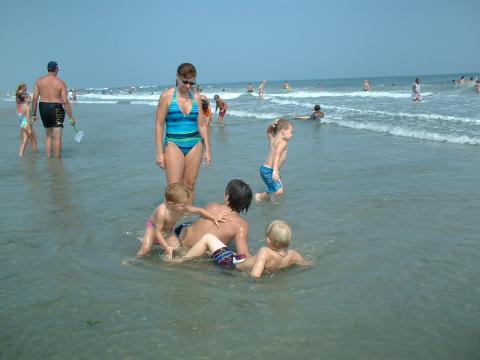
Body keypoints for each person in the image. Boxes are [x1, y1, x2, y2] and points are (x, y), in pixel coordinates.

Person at [155, 63, 211, 205]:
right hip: (174, 145)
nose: (188, 86)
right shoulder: (166, 97)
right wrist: (159, 153)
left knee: (190, 186)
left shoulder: (196, 98)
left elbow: (202, 124)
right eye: (185, 82)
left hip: (195, 145)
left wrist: (208, 150)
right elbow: (159, 125)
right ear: (177, 77)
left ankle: (186, 221)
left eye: (191, 82)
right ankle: (169, 225)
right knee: (174, 190)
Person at [179, 220, 308, 278]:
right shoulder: (292, 255)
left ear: (268, 239)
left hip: (231, 264)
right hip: (241, 259)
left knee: (208, 238)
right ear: (288, 240)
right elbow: (307, 265)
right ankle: (205, 253)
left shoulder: (265, 252)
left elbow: (254, 276)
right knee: (212, 251)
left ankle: (181, 260)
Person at [136, 183, 227, 259]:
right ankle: (133, 260)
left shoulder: (182, 208)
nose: (185, 207)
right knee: (146, 250)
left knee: (177, 249)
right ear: (171, 204)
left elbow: (200, 210)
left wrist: (214, 217)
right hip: (153, 228)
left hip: (168, 230)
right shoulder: (162, 212)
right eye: (182, 205)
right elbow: (158, 233)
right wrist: (166, 247)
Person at [178, 179, 253, 257]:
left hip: (182, 241)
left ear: (227, 196)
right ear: (246, 205)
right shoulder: (241, 225)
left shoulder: (212, 206)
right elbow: (243, 254)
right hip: (198, 253)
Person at [31, 61, 77, 159]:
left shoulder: (39, 81)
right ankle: (57, 161)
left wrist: (33, 114)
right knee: (57, 137)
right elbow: (64, 101)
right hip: (56, 108)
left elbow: (34, 99)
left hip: (43, 107)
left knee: (48, 136)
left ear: (48, 69)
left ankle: (48, 158)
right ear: (56, 69)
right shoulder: (60, 83)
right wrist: (71, 117)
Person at [255, 119, 294, 202]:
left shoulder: (273, 140)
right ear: (283, 132)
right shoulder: (283, 142)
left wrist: (270, 126)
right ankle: (259, 196)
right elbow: (277, 155)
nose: (292, 135)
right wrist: (275, 171)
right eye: (291, 132)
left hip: (266, 169)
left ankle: (269, 200)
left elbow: (269, 132)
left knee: (277, 189)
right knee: (279, 191)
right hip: (269, 170)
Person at [15, 84, 38, 156]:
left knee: (25, 140)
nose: (30, 99)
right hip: (27, 124)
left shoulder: (22, 105)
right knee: (33, 140)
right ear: (25, 99)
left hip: (23, 124)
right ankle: (35, 154)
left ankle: (20, 154)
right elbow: (28, 117)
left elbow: (24, 116)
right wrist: (29, 128)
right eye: (29, 98)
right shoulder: (27, 107)